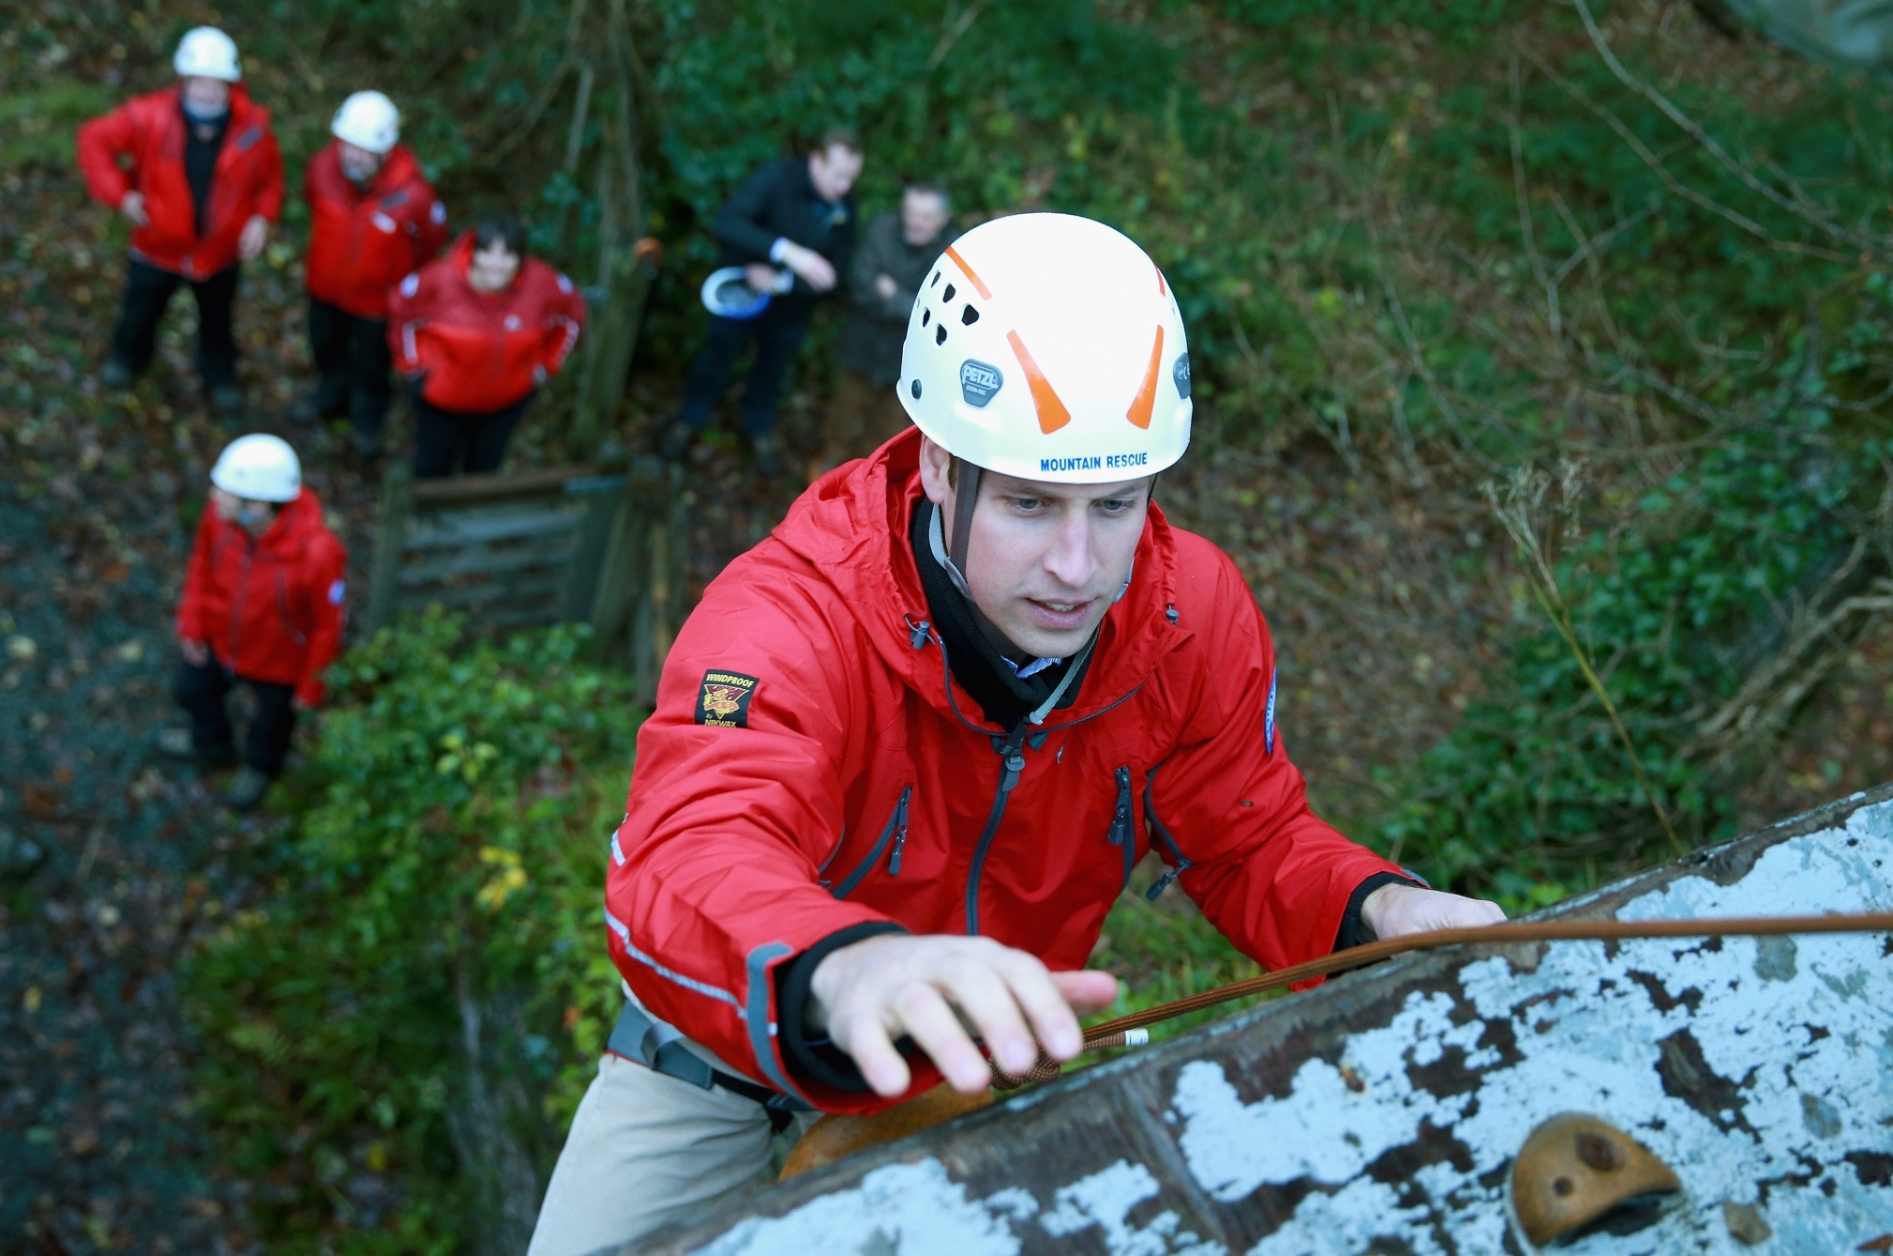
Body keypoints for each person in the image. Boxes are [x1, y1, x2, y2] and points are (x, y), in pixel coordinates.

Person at [526, 213, 1508, 1254]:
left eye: (1118, 503)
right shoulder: (790, 617)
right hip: (732, 1043)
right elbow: (695, 847)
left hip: (972, 1064)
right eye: (1033, 506)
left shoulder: (1188, 617)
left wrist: (1376, 910)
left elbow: (1248, 838)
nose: (1079, 567)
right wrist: (845, 968)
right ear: (942, 467)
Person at [76, 27, 283, 415]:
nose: (207, 92)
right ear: (183, 81)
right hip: (157, 245)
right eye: (198, 82)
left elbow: (269, 179)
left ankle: (219, 377)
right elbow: (94, 141)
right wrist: (121, 195)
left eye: (216, 84)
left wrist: (262, 218)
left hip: (219, 252)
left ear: (231, 85)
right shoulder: (148, 117)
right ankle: (126, 361)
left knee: (218, 323)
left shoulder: (252, 130)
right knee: (140, 312)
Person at [159, 435, 346, 811]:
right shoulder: (220, 520)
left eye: (225, 491)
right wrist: (193, 623)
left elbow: (329, 625)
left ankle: (260, 768)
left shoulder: (318, 554)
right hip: (220, 641)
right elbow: (201, 565)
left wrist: (311, 686)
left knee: (272, 726)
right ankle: (211, 744)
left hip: (279, 662)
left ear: (257, 504)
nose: (214, 497)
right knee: (190, 689)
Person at [663, 129, 864, 474]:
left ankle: (756, 430)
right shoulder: (778, 178)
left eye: (851, 178)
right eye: (838, 175)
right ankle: (689, 418)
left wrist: (783, 281)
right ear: (816, 160)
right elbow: (727, 223)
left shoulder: (846, 205)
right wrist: (786, 251)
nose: (844, 187)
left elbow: (835, 275)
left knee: (771, 372)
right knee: (715, 359)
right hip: (739, 295)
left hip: (791, 309)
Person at [289, 90, 447, 460]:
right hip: (325, 290)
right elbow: (312, 203)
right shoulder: (321, 169)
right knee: (326, 347)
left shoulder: (414, 196)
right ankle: (329, 398)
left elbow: (429, 242)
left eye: (363, 150)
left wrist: (396, 282)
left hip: (377, 303)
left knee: (372, 364)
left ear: (385, 151)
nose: (352, 156)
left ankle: (368, 421)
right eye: (347, 145)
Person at [387, 214, 586, 478]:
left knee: (484, 467)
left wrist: (547, 365)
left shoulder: (542, 284)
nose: (497, 265)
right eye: (488, 253)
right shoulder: (438, 280)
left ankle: (472, 515)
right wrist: (412, 366)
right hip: (443, 400)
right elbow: (402, 314)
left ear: (520, 260)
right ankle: (425, 515)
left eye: (507, 255)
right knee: (432, 464)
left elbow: (572, 317)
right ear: (474, 253)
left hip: (504, 403)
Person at [819, 181, 958, 472]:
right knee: (843, 411)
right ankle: (831, 463)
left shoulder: (952, 253)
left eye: (926, 216)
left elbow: (940, 315)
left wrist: (892, 294)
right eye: (911, 213)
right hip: (862, 344)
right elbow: (861, 286)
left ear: (943, 219)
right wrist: (909, 303)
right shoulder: (881, 230)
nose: (916, 222)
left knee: (889, 426)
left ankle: (867, 475)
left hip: (908, 360)